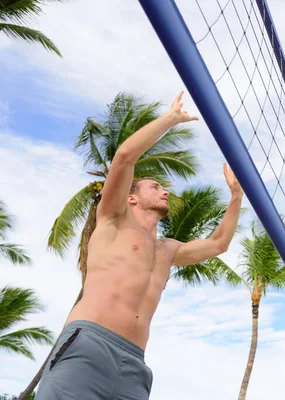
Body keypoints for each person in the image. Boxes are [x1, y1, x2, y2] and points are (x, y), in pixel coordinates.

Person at [36, 91, 244, 399]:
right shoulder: (113, 218)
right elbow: (124, 157)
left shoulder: (167, 249)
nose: (164, 192)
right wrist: (171, 119)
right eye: (155, 186)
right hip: (89, 345)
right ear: (131, 197)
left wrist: (236, 196)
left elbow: (219, 244)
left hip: (134, 363)